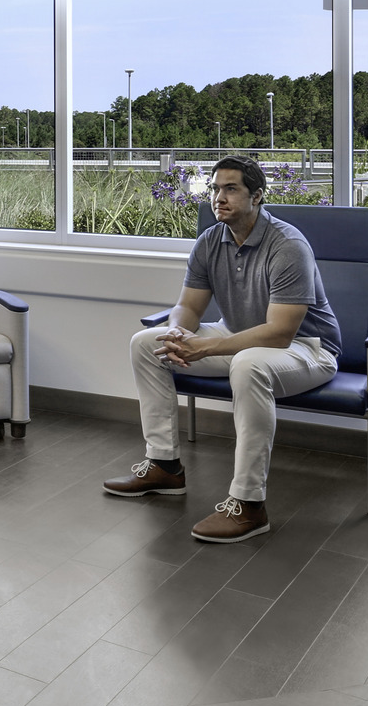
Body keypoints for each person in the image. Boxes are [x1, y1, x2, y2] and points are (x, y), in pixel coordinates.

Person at [102, 155, 342, 543]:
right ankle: (163, 465)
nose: (219, 197)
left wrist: (208, 346)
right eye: (215, 189)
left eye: (231, 189)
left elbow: (280, 333)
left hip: (306, 349)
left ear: (257, 196)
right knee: (148, 343)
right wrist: (179, 333)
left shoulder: (288, 245)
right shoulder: (210, 241)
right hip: (241, 338)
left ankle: (249, 505)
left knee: (249, 365)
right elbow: (189, 307)